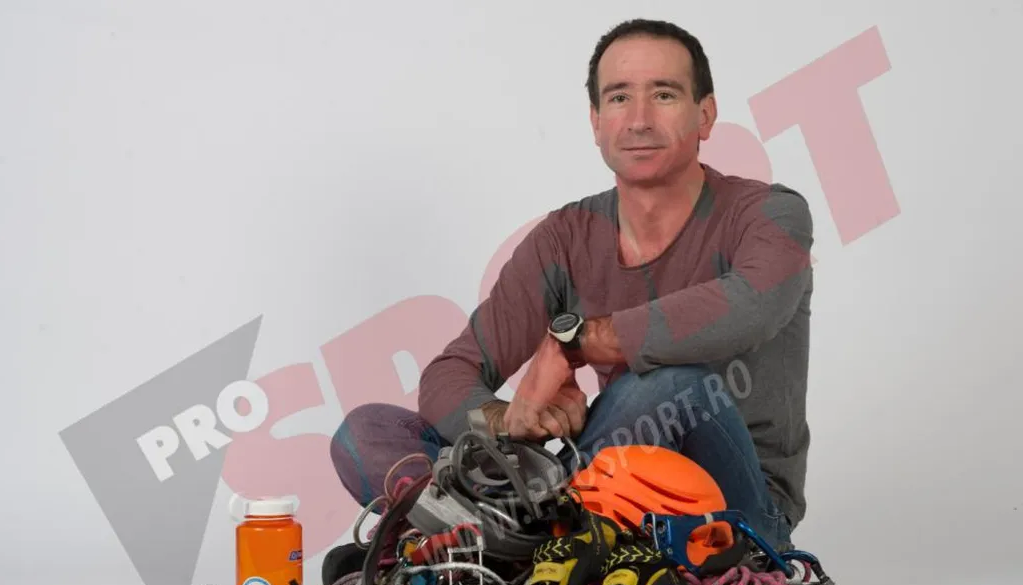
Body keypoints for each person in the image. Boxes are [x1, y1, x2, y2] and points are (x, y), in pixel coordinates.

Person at [330, 18, 814, 550]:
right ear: (596, 121)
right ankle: (515, 535)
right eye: (620, 97)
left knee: (670, 384)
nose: (639, 120)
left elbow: (752, 307)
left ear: (705, 114)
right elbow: (450, 375)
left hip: (737, 508)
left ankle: (513, 536)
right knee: (366, 431)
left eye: (664, 94)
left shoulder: (771, 214)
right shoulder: (565, 237)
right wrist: (509, 420)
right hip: (598, 482)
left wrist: (576, 342)